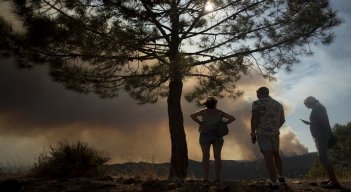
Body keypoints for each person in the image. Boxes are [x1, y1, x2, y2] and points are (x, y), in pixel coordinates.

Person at [190, 96, 235, 184]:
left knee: (205, 157)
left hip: (205, 134)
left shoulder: (203, 111)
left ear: (207, 103)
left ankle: (206, 178)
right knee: (217, 157)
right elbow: (232, 118)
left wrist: (201, 123)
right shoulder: (220, 112)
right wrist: (224, 123)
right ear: (215, 104)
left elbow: (192, 116)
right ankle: (217, 178)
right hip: (217, 135)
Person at [301, 96, 341, 189]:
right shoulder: (318, 107)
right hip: (322, 135)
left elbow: (321, 121)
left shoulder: (317, 108)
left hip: (322, 135)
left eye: (306, 104)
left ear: (310, 102)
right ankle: (331, 179)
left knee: (323, 157)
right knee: (324, 157)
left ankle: (334, 182)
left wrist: (309, 123)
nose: (306, 107)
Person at [250, 87, 285, 191]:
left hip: (262, 133)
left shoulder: (257, 103)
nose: (257, 96)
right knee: (276, 154)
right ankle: (281, 177)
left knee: (268, 158)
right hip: (275, 133)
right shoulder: (278, 104)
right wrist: (274, 128)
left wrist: (253, 133)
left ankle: (274, 184)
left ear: (260, 94)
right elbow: (282, 120)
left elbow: (254, 119)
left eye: (257, 94)